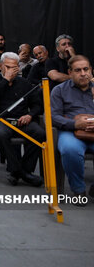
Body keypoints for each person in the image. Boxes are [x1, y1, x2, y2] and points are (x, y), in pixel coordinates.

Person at [0, 52, 45, 186]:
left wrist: (30, 115)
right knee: (0, 134)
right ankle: (22, 173)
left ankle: (21, 170)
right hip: (1, 120)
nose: (11, 71)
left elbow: (37, 105)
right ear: (0, 66)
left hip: (21, 120)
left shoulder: (24, 83)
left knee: (39, 133)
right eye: (8, 67)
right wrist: (5, 80)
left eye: (14, 67)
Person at [50, 55, 94, 201]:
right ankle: (79, 190)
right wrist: (75, 124)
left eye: (86, 69)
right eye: (78, 70)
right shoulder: (59, 90)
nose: (83, 73)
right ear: (70, 73)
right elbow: (53, 117)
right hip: (70, 131)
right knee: (70, 150)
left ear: (91, 70)